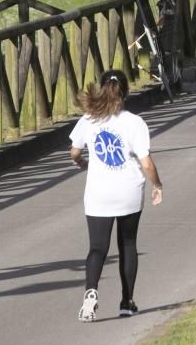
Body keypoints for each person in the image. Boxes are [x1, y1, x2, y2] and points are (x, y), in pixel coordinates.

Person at [70, 70, 163, 321]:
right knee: (128, 245)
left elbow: (75, 151)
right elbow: (147, 163)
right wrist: (158, 185)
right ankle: (126, 301)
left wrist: (81, 162)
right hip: (128, 192)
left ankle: (90, 293)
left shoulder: (89, 120)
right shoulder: (134, 122)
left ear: (102, 89)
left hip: (98, 194)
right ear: (126, 92)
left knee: (97, 248)